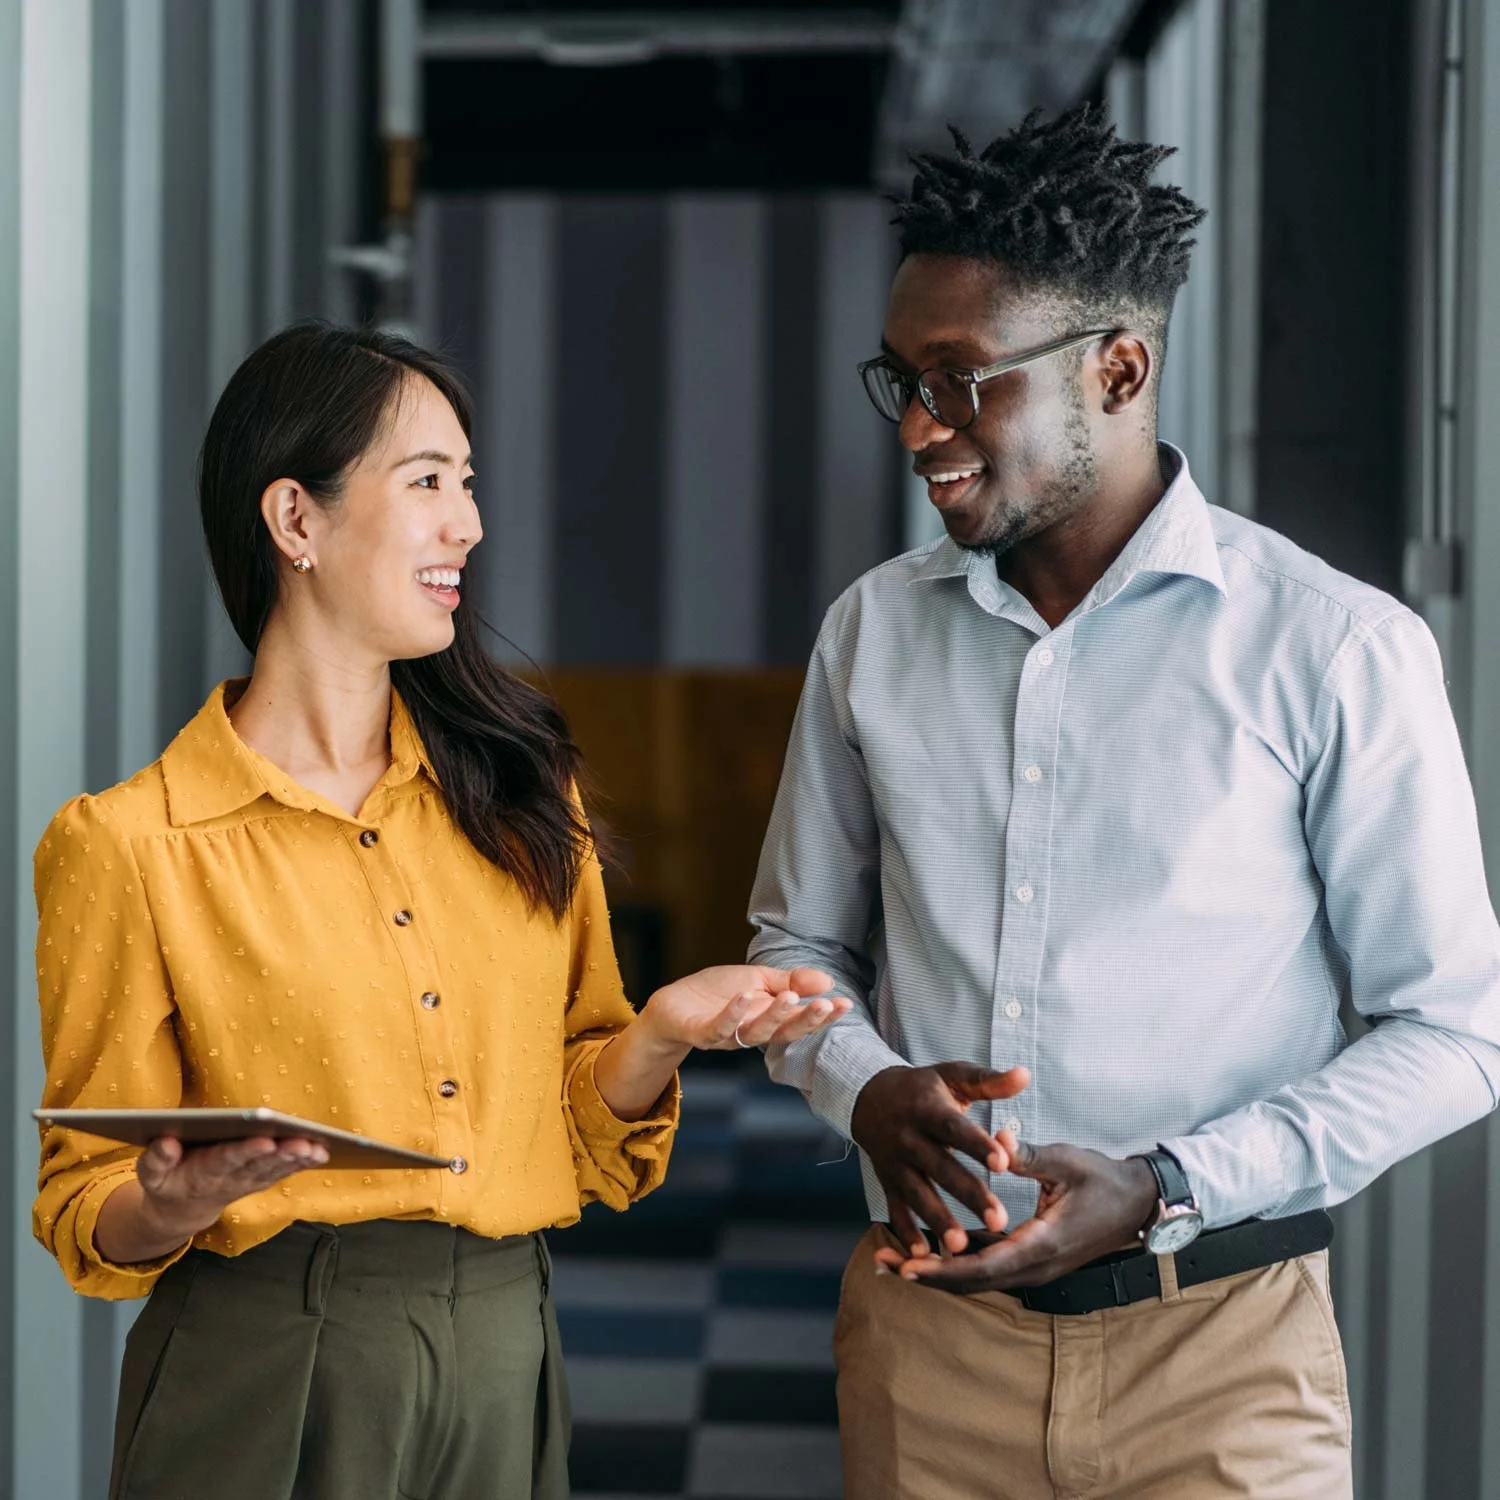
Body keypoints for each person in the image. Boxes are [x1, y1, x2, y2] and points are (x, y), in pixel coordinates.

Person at [747, 103, 1500, 1499]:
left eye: (962, 381)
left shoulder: (1332, 649)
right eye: (901, 380)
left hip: (1224, 1357)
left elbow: (1454, 1034)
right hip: (932, 1346)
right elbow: (795, 955)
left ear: (1120, 367)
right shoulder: (874, 634)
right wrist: (866, 1090)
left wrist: (1167, 1182)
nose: (920, 428)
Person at [32, 321, 848, 1500]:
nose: (466, 523)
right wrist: (165, 1204)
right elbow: (79, 1207)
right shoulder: (127, 846)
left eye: (466, 486)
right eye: (426, 483)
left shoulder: (521, 786)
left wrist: (660, 1032)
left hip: (505, 1341)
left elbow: (581, 1131)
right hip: (265, 1357)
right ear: (294, 521)